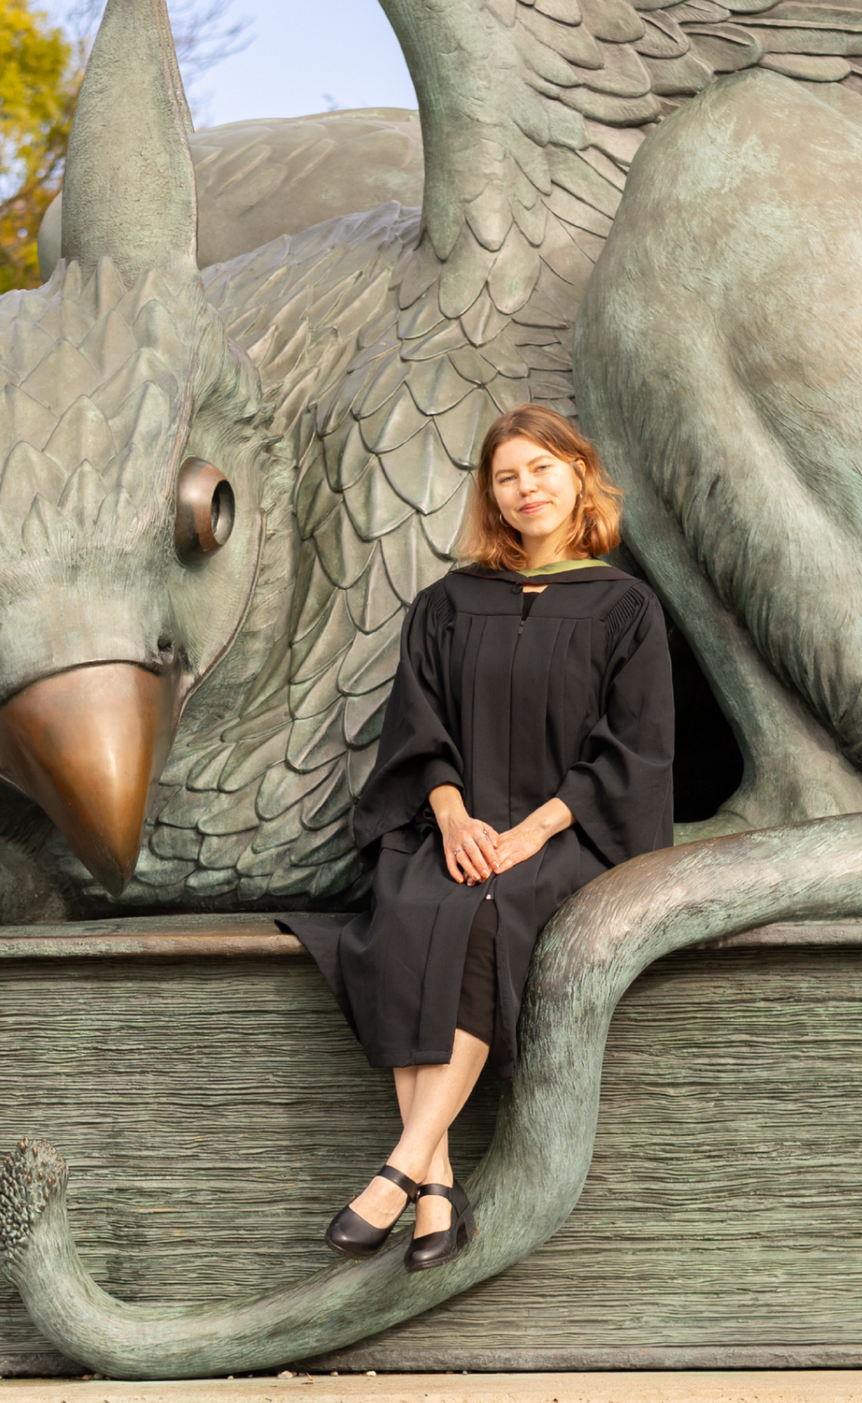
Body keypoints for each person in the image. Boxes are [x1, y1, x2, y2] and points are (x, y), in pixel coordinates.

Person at [279, 404, 675, 1271]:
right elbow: (419, 732)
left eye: (541, 468)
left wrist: (530, 831)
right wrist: (454, 817)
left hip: (565, 831)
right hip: (453, 825)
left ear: (577, 474)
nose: (525, 488)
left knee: (486, 907)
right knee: (414, 899)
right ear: (491, 497)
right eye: (506, 477)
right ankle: (437, 1187)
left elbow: (632, 749)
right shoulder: (449, 604)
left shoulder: (625, 607)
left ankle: (401, 1169)